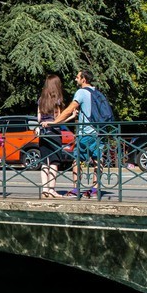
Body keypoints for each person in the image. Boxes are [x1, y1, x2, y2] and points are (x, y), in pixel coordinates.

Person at [40, 70, 106, 199]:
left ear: (84, 79)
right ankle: (95, 189)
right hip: (99, 131)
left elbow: (69, 109)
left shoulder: (81, 92)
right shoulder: (97, 92)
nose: (75, 79)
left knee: (77, 159)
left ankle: (77, 188)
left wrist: (54, 123)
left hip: (85, 132)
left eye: (77, 77)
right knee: (97, 159)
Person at [35, 73, 70, 198]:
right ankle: (51, 189)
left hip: (43, 133)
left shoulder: (41, 100)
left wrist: (44, 123)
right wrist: (71, 117)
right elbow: (58, 119)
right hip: (54, 132)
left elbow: (38, 118)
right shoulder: (58, 101)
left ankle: (44, 188)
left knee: (45, 161)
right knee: (54, 161)